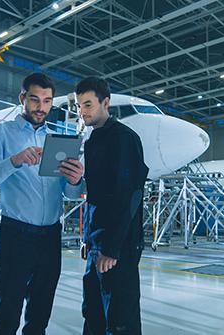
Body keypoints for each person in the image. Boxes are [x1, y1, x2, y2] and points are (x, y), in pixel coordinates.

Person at [0, 73, 85, 335]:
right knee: (8, 313)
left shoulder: (59, 139)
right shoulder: (0, 134)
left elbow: (69, 193)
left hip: (50, 237)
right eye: (35, 100)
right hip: (16, 235)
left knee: (40, 314)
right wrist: (15, 160)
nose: (41, 107)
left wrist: (76, 180)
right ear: (23, 98)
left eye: (47, 101)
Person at [76, 77, 149, 334]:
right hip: (97, 244)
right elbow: (95, 197)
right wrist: (89, 239)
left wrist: (111, 248)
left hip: (119, 248)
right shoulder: (93, 140)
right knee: (93, 314)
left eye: (88, 104)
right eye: (79, 106)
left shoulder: (124, 139)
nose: (82, 111)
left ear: (105, 103)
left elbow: (129, 197)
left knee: (119, 321)